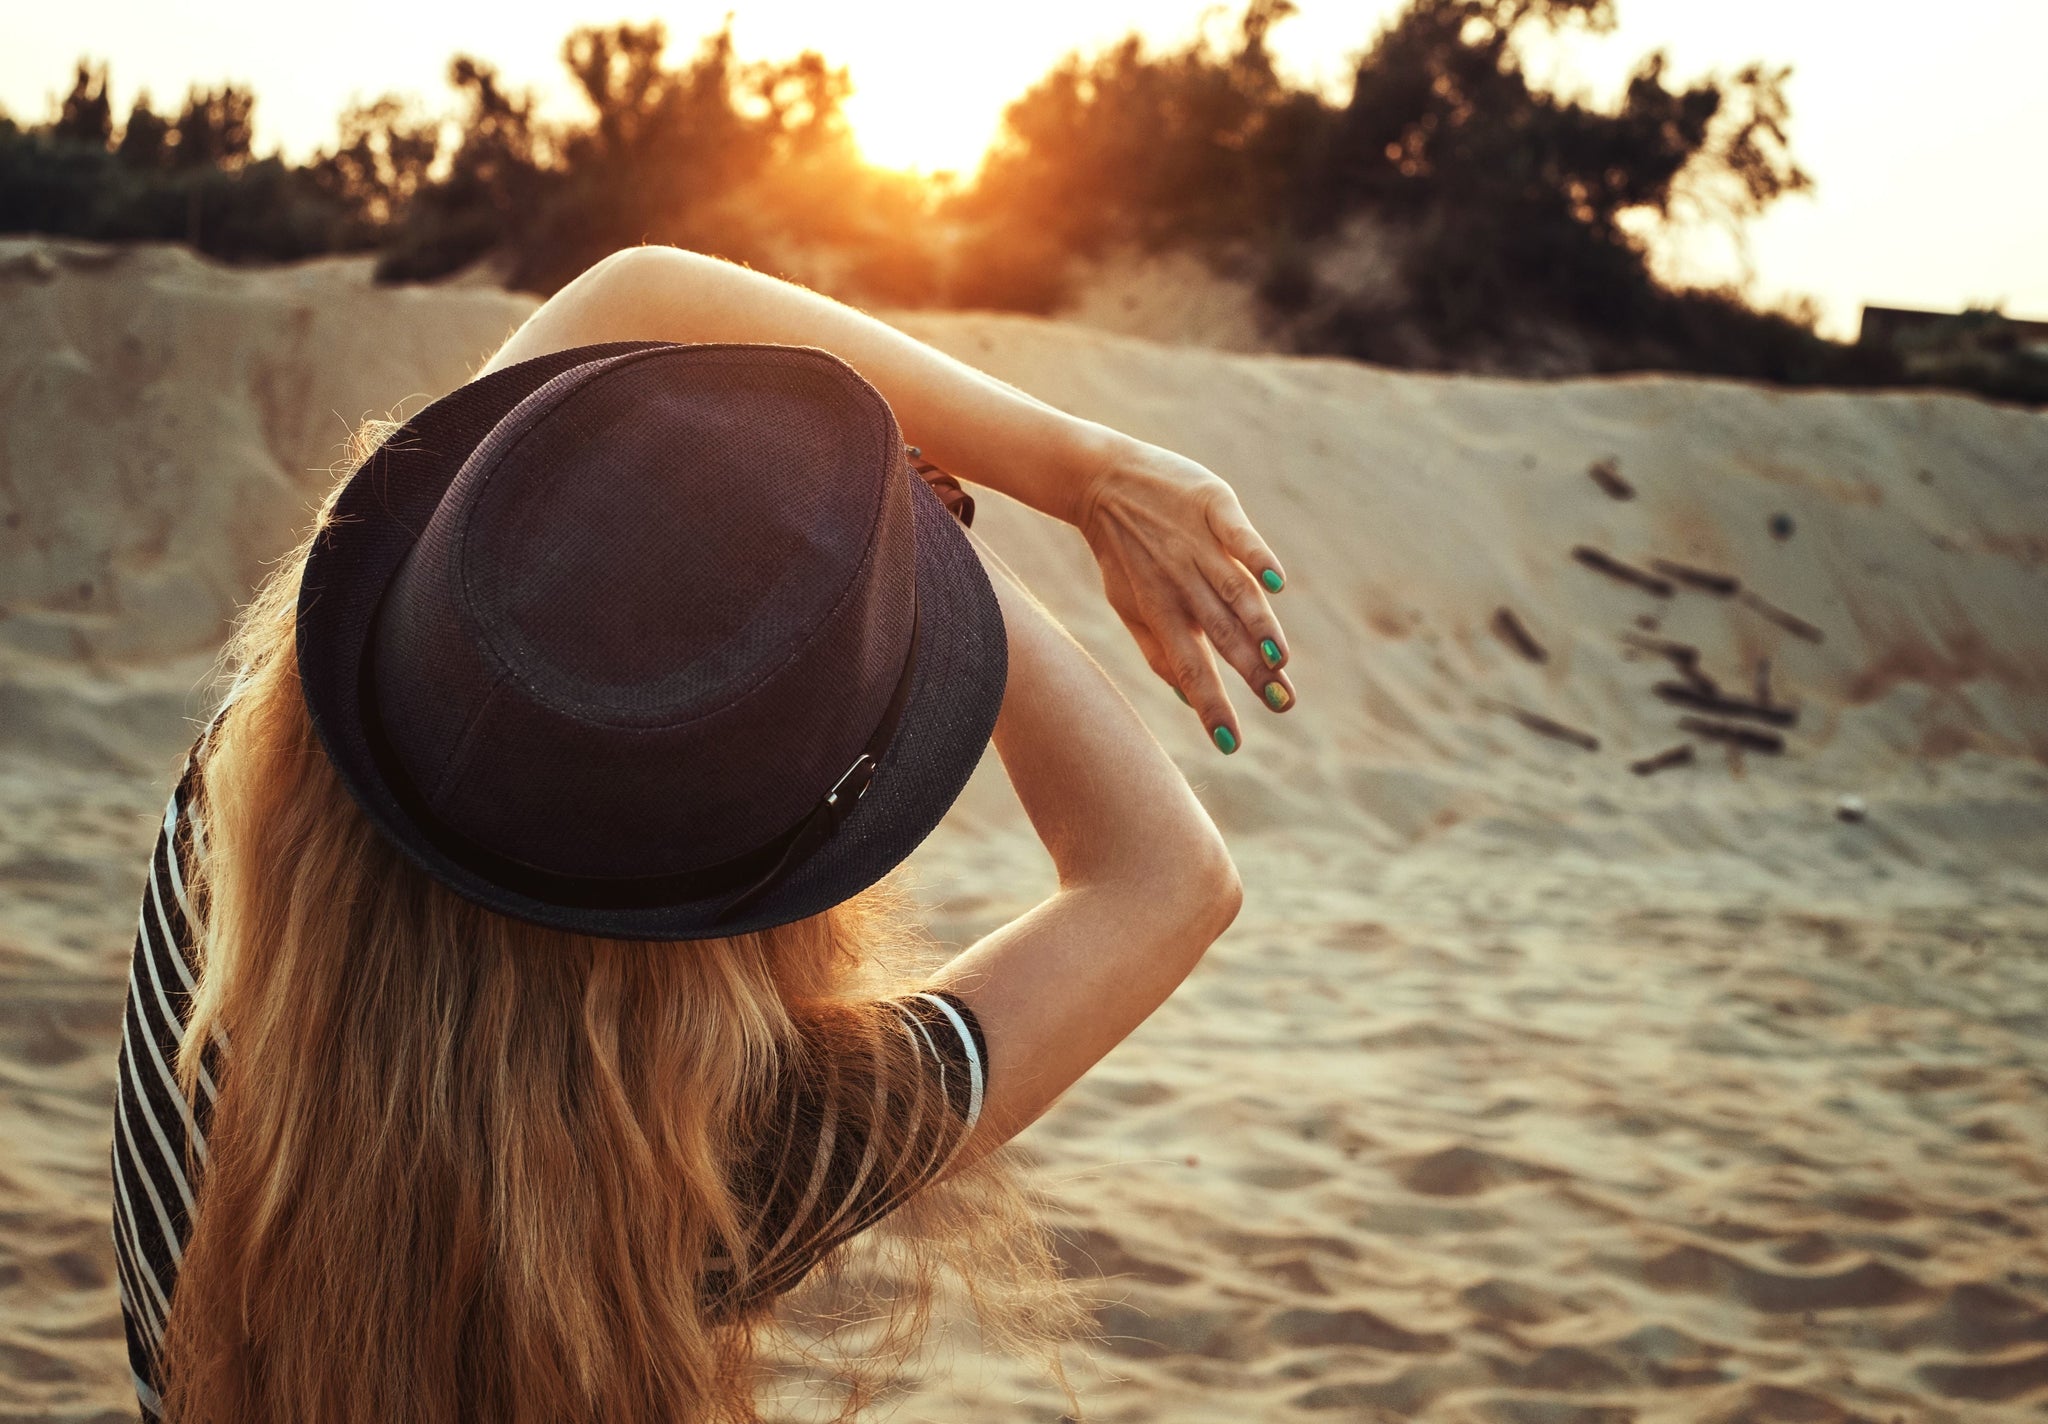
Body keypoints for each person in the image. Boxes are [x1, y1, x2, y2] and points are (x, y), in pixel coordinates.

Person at [109, 246, 1296, 1423]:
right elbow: (1168, 873)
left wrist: (1068, 478)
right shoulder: (711, 1170)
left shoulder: (232, 844)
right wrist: (910, 536)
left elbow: (632, 296)